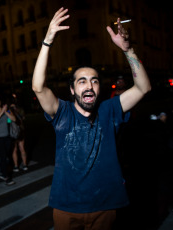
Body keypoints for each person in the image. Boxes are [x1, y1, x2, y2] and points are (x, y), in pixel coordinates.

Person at [32, 7, 151, 230]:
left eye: (94, 81)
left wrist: (129, 50)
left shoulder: (110, 109)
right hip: (67, 206)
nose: (89, 85)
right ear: (72, 89)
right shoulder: (63, 113)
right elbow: (38, 87)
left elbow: (143, 88)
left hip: (105, 205)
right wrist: (47, 41)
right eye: (82, 81)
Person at [10, 103, 28, 172]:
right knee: (22, 148)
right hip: (21, 131)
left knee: (15, 150)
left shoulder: (9, 111)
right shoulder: (20, 110)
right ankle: (25, 165)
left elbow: (8, 121)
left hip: (13, 132)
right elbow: (23, 118)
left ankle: (16, 166)